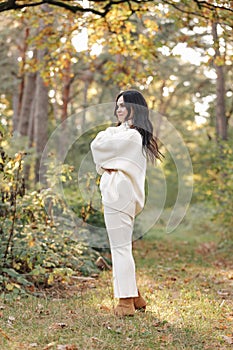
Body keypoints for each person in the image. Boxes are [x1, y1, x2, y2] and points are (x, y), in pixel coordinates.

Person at [90, 89, 162, 316]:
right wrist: (106, 145)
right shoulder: (122, 133)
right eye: (117, 105)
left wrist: (106, 148)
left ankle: (124, 302)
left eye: (124, 105)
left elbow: (98, 147)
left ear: (135, 108)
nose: (119, 109)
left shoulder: (132, 136)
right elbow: (99, 145)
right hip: (118, 193)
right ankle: (135, 296)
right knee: (122, 246)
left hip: (119, 194)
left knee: (120, 248)